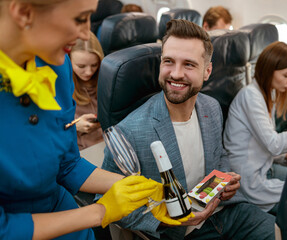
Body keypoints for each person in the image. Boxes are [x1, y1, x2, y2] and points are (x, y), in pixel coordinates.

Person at [0, 0, 182, 239]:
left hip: (67, 219)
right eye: (80, 19)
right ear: (24, 13)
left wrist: (138, 188)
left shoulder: (56, 63)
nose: (87, 33)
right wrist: (100, 212)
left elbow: (67, 164)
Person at [100, 19, 275, 240]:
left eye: (189, 65)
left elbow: (219, 156)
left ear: (207, 71)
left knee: (277, 230)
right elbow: (105, 201)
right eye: (169, 62)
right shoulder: (129, 132)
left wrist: (224, 183)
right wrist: (163, 219)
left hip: (225, 211)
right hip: (179, 231)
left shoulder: (211, 108)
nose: (176, 73)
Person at [223, 41, 287, 215]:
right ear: (268, 70)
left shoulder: (268, 93)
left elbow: (266, 142)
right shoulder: (251, 96)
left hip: (265, 166)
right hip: (250, 178)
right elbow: (273, 144)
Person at [70, 31, 104, 150]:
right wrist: (74, 127)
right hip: (80, 151)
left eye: (94, 65)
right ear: (68, 61)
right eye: (81, 66)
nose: (89, 72)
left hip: (108, 144)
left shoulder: (107, 80)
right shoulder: (60, 87)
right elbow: (48, 129)